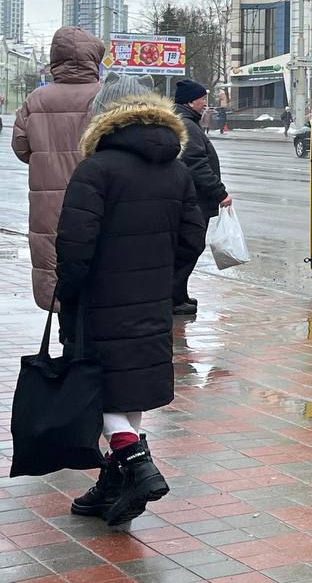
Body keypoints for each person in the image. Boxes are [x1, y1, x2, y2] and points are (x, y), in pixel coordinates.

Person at [56, 77, 206, 527]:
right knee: (131, 385)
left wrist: (70, 290)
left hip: (101, 299)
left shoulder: (96, 170)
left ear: (103, 116)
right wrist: (162, 276)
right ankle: (114, 483)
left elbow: (74, 244)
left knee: (95, 383)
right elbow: (192, 238)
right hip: (152, 299)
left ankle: (137, 464)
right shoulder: (176, 170)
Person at [11, 26, 104, 327]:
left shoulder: (36, 100)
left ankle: (68, 346)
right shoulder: (105, 97)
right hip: (98, 198)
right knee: (99, 265)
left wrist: (47, 157)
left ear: (55, 59)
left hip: (49, 204)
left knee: (58, 269)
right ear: (94, 58)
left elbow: (21, 148)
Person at [173, 79, 231, 315]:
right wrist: (220, 192)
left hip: (192, 199)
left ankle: (179, 295)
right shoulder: (187, 125)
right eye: (202, 99)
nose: (205, 104)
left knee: (187, 246)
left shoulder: (185, 122)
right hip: (194, 200)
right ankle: (174, 298)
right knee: (189, 247)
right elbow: (197, 165)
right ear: (190, 101)